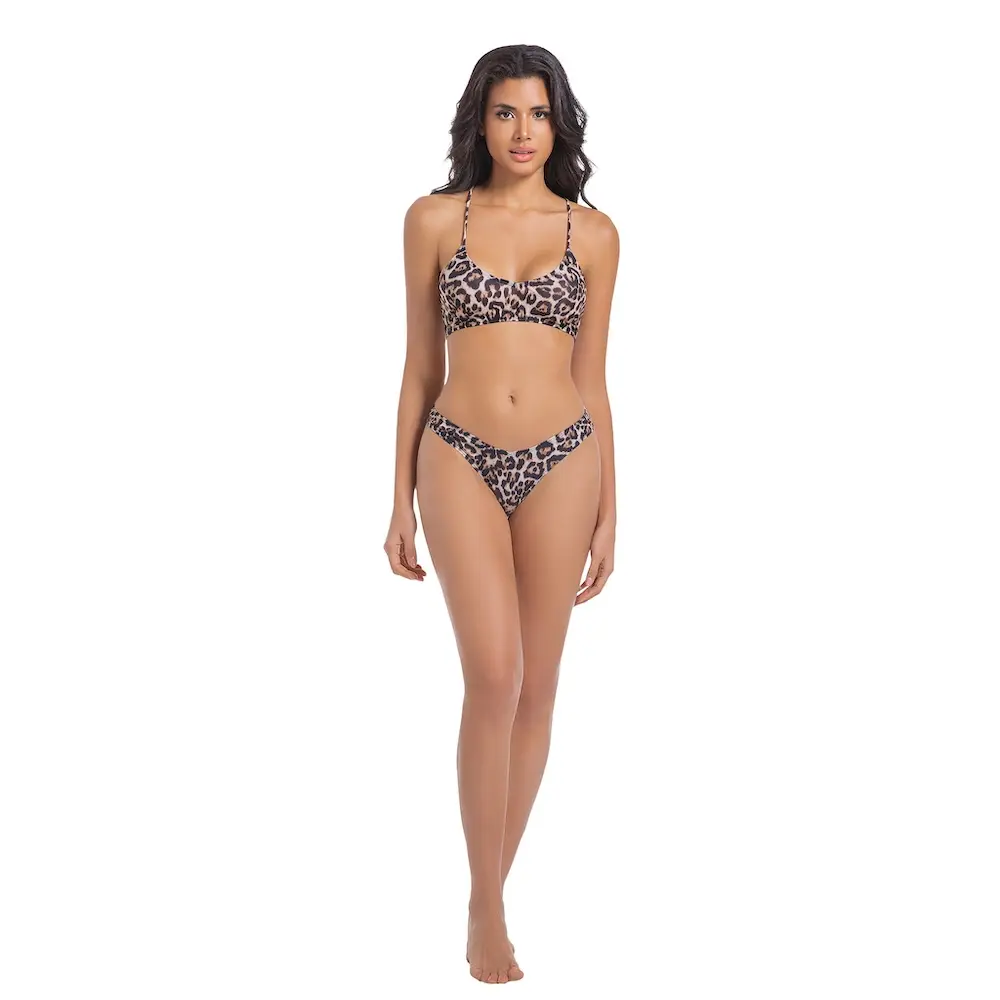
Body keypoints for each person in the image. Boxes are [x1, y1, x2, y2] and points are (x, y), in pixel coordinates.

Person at [383, 43, 619, 984]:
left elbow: (594, 380)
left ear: (560, 124)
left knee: (539, 687)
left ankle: (488, 900)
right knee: (494, 675)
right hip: (458, 455)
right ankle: (489, 907)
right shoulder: (434, 219)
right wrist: (395, 497)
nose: (524, 132)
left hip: (565, 457)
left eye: (539, 114)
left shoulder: (593, 234)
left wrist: (613, 509)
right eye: (505, 112)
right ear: (478, 122)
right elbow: (419, 368)